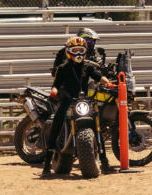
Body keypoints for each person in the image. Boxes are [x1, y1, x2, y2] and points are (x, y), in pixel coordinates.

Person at [43, 36, 110, 176]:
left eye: (81, 50)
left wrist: (107, 82)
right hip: (67, 99)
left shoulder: (88, 66)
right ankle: (47, 162)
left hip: (83, 100)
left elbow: (98, 76)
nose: (78, 53)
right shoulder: (62, 68)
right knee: (57, 120)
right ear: (69, 52)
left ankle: (104, 161)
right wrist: (54, 91)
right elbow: (56, 84)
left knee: (97, 123)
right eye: (75, 50)